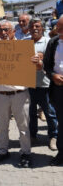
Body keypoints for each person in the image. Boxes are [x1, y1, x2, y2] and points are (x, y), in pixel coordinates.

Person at [0, 21, 32, 167]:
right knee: (1, 126)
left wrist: (36, 61)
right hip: (0, 94)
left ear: (14, 31)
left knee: (23, 126)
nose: (3, 33)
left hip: (19, 93)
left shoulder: (24, 47)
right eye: (0, 30)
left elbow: (35, 67)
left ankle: (26, 152)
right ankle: (2, 151)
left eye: (6, 30)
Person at [27, 18, 58, 150]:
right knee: (31, 112)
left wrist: (42, 64)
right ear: (28, 29)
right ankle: (33, 136)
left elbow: (53, 62)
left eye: (38, 26)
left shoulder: (48, 43)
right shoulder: (24, 43)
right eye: (32, 26)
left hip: (45, 84)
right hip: (28, 84)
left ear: (42, 28)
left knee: (49, 112)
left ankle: (53, 137)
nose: (35, 28)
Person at [44, 16, 63, 166]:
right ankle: (61, 154)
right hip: (58, 89)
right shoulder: (54, 42)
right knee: (61, 122)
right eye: (59, 30)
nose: (60, 33)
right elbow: (47, 65)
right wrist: (52, 75)